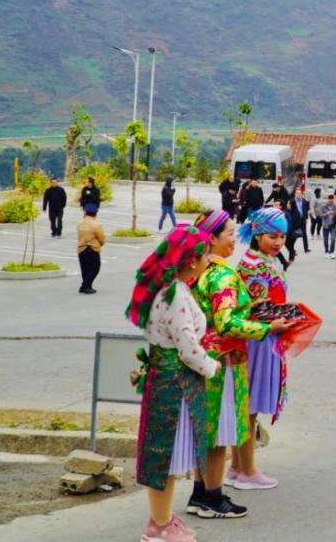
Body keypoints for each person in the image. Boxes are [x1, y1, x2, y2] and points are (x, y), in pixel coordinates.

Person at [188, 210, 294, 517]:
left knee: (208, 428)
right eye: (231, 234)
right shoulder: (221, 274)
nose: (237, 238)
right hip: (225, 358)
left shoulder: (197, 270)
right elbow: (227, 322)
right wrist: (266, 327)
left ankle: (200, 493)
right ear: (212, 239)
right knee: (219, 431)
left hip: (202, 356)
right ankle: (214, 496)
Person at [126, 224, 216, 542]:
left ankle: (163, 519)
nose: (210, 260)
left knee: (167, 455)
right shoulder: (175, 294)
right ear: (192, 260)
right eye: (206, 255)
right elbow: (188, 348)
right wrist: (212, 367)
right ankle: (158, 527)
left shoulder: (170, 287)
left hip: (166, 380)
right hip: (173, 384)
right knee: (163, 457)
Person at [232, 207, 292, 489]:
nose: (278, 242)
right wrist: (284, 321)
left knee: (246, 405)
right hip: (258, 339)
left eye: (282, 236)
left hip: (264, 336)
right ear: (257, 235)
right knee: (248, 407)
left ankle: (236, 467)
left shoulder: (264, 260)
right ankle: (247, 471)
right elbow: (257, 310)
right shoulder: (254, 266)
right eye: (272, 236)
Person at [76, 203, 105, 294]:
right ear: (96, 213)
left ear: (85, 212)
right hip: (92, 249)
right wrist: (101, 244)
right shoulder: (96, 225)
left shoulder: (80, 224)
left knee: (84, 269)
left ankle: (86, 286)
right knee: (95, 268)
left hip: (81, 248)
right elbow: (102, 238)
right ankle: (85, 286)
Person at [292, 186, 311, 255]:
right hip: (295, 220)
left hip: (302, 219)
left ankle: (306, 248)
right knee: (294, 234)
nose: (299, 195)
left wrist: (306, 218)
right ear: (295, 194)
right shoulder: (292, 201)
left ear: (301, 194)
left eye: (300, 194)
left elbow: (306, 210)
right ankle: (291, 248)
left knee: (304, 234)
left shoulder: (304, 201)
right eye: (297, 194)